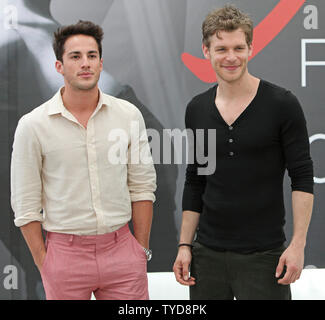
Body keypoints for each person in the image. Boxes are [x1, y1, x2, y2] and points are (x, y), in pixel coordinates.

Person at [173, 5, 314, 300]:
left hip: (265, 257)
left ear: (251, 48)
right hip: (207, 257)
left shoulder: (282, 104)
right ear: (206, 51)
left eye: (239, 47)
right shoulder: (197, 109)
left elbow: (301, 177)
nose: (231, 57)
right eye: (221, 48)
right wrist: (185, 245)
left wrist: (298, 244)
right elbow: (196, 179)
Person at [11, 20, 156, 300]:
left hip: (122, 251)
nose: (85, 63)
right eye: (75, 57)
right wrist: (46, 262)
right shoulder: (33, 125)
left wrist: (140, 250)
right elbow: (25, 204)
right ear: (59, 66)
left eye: (92, 56)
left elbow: (142, 187)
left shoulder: (128, 115)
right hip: (64, 256)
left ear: (101, 63)